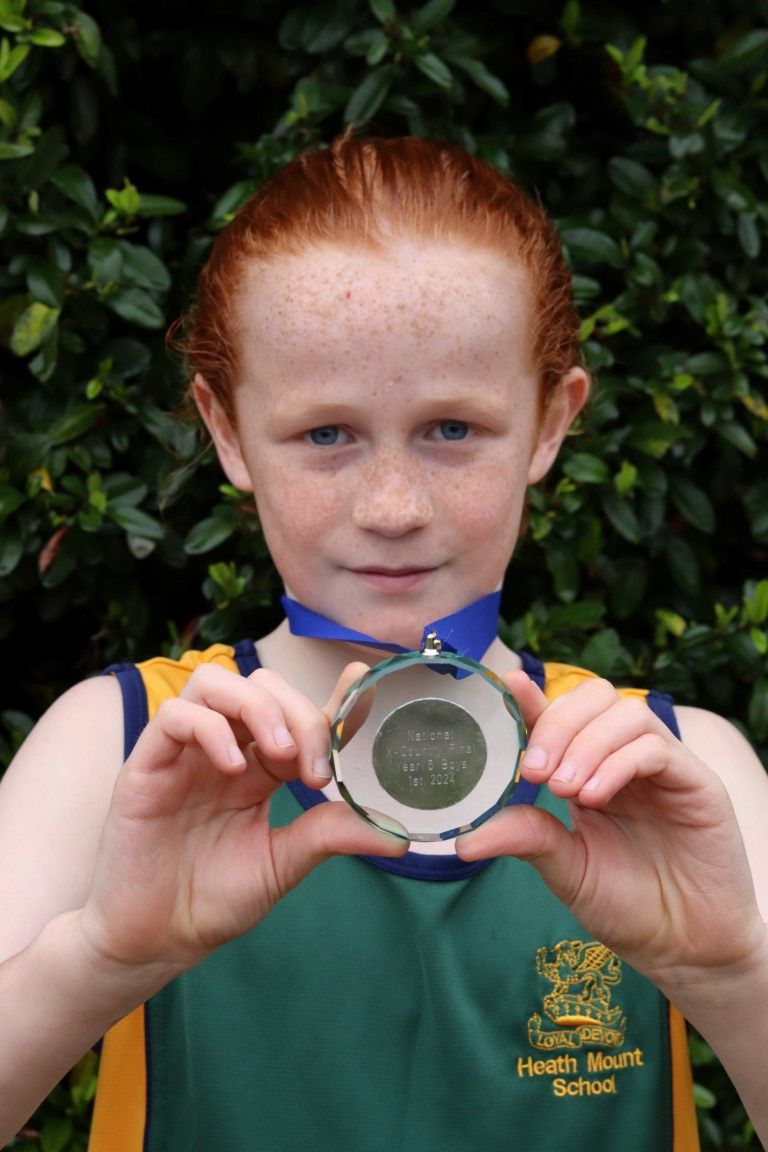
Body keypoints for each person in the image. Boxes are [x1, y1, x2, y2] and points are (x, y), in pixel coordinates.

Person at [0, 134, 766, 1152]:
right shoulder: (127, 745)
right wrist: (99, 959)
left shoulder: (676, 770)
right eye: (327, 435)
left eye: (452, 428)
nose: (394, 507)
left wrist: (732, 979)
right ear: (225, 430)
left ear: (550, 422)